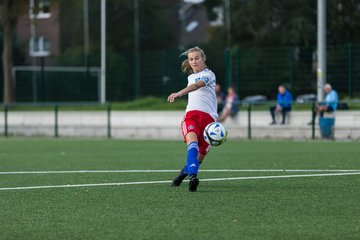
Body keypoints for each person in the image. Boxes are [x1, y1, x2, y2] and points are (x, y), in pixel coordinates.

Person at [167, 46, 217, 192]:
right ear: (188, 62)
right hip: (192, 116)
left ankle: (183, 173)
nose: (194, 61)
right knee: (192, 144)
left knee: (199, 156)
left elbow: (196, 86)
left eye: (197, 58)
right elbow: (193, 84)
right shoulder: (190, 77)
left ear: (203, 59)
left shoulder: (209, 74)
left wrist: (179, 93)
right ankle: (193, 178)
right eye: (191, 59)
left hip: (209, 121)